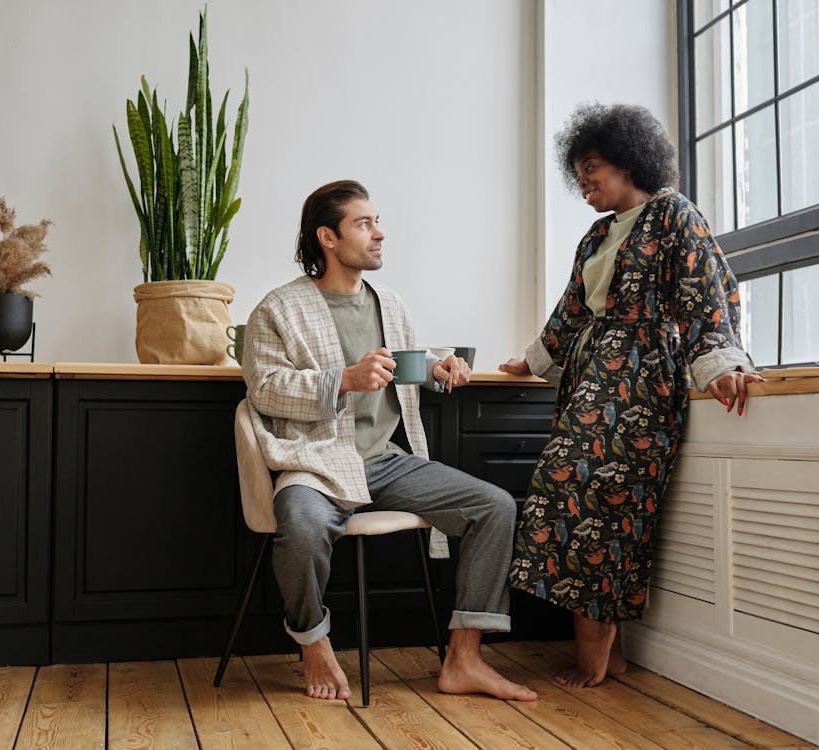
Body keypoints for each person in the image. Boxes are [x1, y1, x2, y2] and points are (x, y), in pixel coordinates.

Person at [243, 179, 536, 702]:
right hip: (317, 463)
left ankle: (464, 659)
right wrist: (344, 379)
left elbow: (403, 364)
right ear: (328, 238)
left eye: (376, 222)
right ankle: (313, 644)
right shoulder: (278, 309)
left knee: (494, 507)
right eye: (364, 223)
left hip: (387, 463)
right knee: (303, 528)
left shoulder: (390, 304)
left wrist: (439, 368)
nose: (379, 234)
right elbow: (265, 390)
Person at [501, 103, 762, 687]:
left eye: (592, 167)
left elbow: (706, 291)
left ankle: (599, 649)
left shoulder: (675, 215)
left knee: (599, 503)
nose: (584, 181)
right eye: (578, 172)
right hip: (590, 377)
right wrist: (531, 360)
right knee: (565, 497)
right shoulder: (597, 234)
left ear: (628, 160)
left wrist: (720, 363)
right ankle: (606, 652)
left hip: (641, 379)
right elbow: (571, 310)